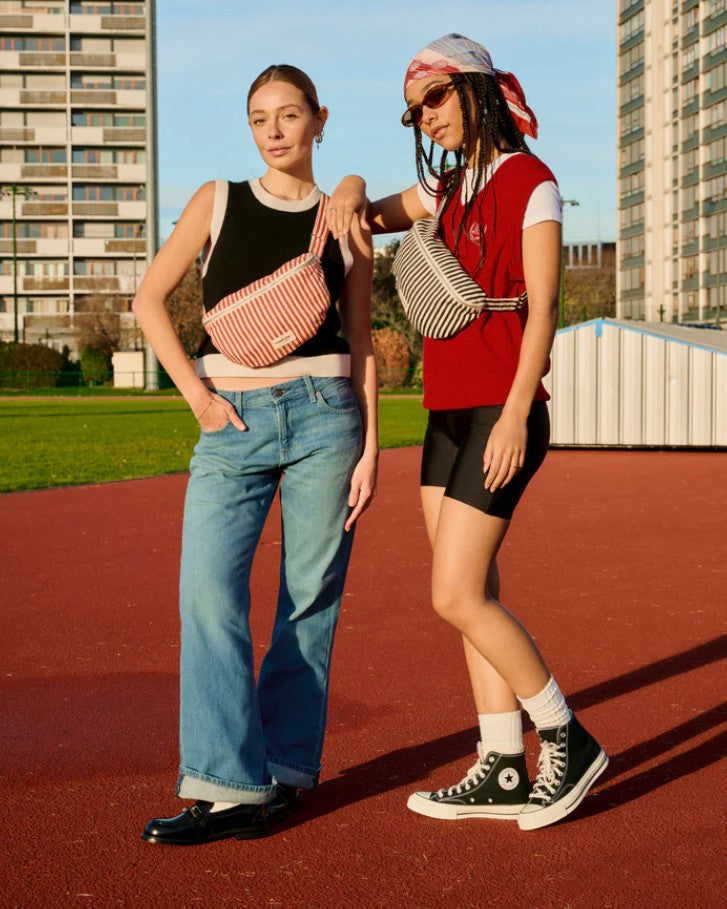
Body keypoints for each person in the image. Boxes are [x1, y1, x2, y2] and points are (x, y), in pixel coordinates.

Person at [328, 34, 606, 831]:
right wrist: (348, 182)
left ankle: (565, 735)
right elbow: (372, 214)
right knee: (470, 595)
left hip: (501, 409)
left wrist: (519, 410)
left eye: (436, 99)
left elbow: (544, 310)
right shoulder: (443, 188)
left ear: (477, 90)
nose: (426, 118)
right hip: (445, 414)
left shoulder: (531, 183)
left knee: (451, 590)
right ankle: (500, 762)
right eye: (414, 110)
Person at [132, 64, 378, 846]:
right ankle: (225, 781)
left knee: (309, 601)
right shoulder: (217, 200)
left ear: (318, 118)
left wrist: (372, 446)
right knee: (207, 592)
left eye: (289, 114)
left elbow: (363, 340)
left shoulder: (346, 220)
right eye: (259, 117)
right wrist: (199, 400)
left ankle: (281, 775)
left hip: (324, 418)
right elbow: (148, 300)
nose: (274, 130)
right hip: (227, 419)